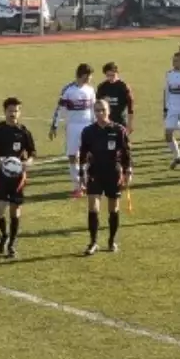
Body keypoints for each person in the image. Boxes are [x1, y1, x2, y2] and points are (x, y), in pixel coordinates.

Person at [78, 100, 132, 255]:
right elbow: (82, 154)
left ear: (109, 111)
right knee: (93, 208)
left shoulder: (118, 130)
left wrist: (128, 171)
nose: (100, 113)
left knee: (113, 209)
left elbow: (126, 153)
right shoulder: (88, 131)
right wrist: (82, 174)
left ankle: (111, 241)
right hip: (95, 173)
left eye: (103, 110)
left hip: (113, 173)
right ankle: (93, 242)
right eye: (97, 111)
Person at [0, 97, 37, 258]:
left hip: (17, 177)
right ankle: (4, 234)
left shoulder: (23, 132)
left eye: (16, 111)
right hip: (0, 176)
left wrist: (28, 162)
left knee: (15, 211)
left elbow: (33, 152)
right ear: (4, 111)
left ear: (19, 112)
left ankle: (12, 244)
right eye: (10, 111)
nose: (13, 114)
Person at [50, 63, 96, 198]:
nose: (90, 78)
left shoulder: (91, 90)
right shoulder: (68, 90)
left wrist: (96, 124)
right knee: (72, 156)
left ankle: (87, 183)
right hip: (73, 126)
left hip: (88, 125)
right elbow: (59, 109)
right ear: (81, 75)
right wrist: (54, 126)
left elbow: (94, 108)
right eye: (89, 75)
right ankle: (77, 186)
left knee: (88, 156)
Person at [95, 62, 135, 134]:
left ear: (117, 73)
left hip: (120, 123)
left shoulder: (123, 87)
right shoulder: (102, 87)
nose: (111, 78)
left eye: (113, 75)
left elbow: (130, 108)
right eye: (108, 75)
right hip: (105, 123)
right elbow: (97, 106)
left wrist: (130, 124)